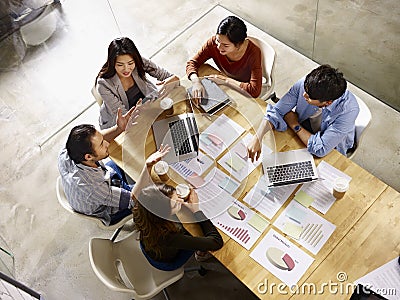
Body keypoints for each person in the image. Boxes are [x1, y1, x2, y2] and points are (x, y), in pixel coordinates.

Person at [58, 103, 170, 226]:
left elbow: (98, 139)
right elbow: (133, 199)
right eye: (102, 144)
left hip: (102, 180)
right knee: (157, 193)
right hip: (107, 208)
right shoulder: (93, 188)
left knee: (130, 160)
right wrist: (148, 166)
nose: (107, 143)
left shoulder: (68, 152)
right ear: (88, 157)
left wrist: (119, 128)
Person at [247, 64, 360, 159]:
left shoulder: (348, 111)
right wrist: (257, 137)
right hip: (306, 129)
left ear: (328, 102)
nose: (304, 95)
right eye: (305, 90)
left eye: (309, 97)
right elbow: (277, 111)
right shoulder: (307, 84)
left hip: (332, 147)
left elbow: (320, 149)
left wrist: (294, 124)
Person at [133, 183, 223, 270]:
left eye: (177, 195)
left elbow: (160, 195)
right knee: (198, 235)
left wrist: (174, 200)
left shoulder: (141, 211)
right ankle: (201, 255)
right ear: (163, 214)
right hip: (166, 261)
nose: (181, 201)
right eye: (175, 204)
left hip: (149, 244)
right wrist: (196, 211)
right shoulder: (168, 237)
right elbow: (217, 242)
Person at [96, 37, 179, 129]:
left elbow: (170, 77)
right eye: (120, 65)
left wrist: (172, 80)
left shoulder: (139, 61)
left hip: (147, 108)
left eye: (130, 63)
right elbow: (125, 117)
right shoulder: (103, 85)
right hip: (121, 122)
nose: (126, 69)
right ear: (112, 63)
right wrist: (146, 108)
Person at [186, 16, 262, 104]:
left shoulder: (253, 53)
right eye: (218, 41)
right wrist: (196, 82)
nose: (218, 47)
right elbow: (192, 63)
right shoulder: (213, 43)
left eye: (225, 45)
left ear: (239, 45)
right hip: (224, 83)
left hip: (241, 88)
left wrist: (225, 80)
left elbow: (254, 91)